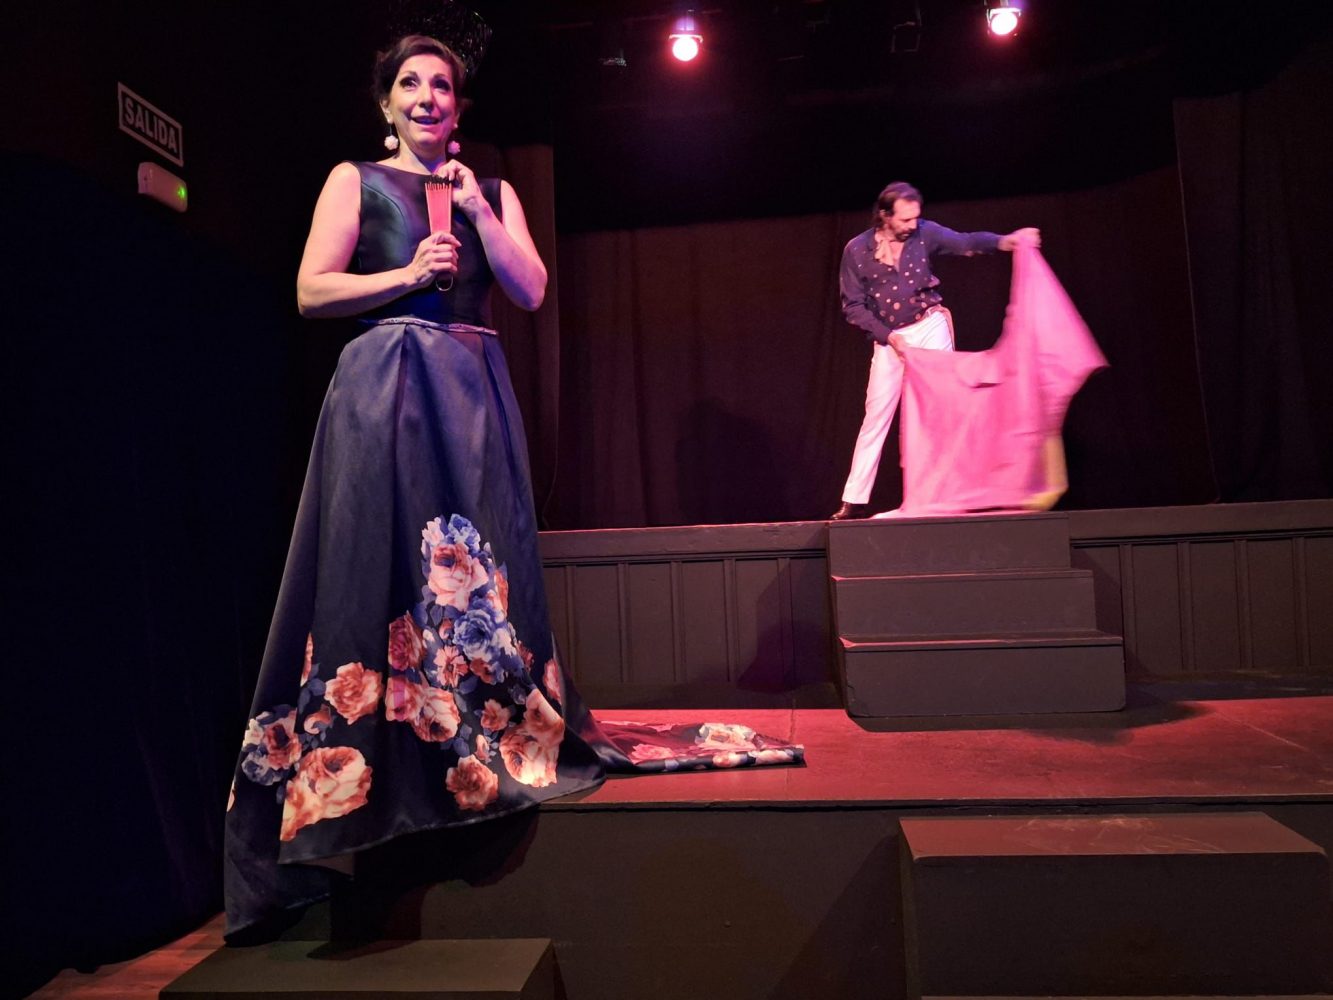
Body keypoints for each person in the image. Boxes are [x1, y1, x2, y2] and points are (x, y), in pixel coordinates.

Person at [224, 34, 801, 941]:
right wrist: (406, 275)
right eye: (409, 84)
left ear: (459, 107)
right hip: (385, 390)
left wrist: (476, 215)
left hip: (470, 390)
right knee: (379, 571)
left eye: (441, 85)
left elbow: (529, 289)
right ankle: (376, 773)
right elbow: (309, 290)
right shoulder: (354, 180)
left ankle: (478, 743)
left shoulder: (490, 190)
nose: (426, 96)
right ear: (385, 104)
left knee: (479, 572)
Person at [828, 181, 1040, 520]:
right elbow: (853, 306)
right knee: (876, 416)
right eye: (905, 219)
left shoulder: (924, 233)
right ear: (885, 216)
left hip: (928, 326)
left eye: (916, 218)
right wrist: (888, 336)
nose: (912, 225)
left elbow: (965, 242)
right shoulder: (857, 250)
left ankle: (956, 490)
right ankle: (854, 499)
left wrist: (1006, 241)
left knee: (945, 406)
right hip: (890, 338)